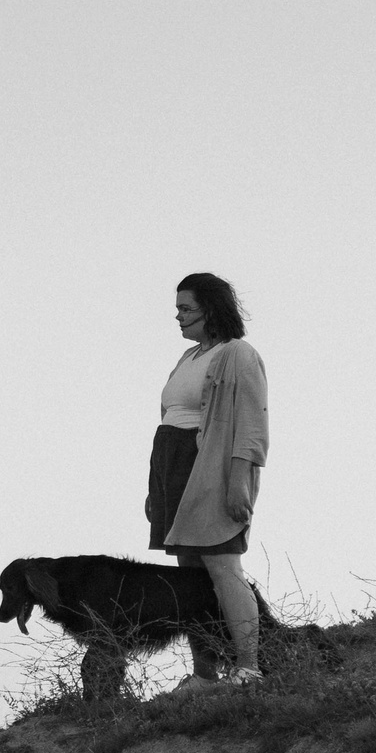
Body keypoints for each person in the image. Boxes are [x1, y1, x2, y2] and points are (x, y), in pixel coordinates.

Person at [148, 272, 268, 686]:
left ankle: (249, 666)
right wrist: (155, 488)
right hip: (173, 467)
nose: (178, 317)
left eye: (186, 309)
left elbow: (251, 424)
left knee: (222, 567)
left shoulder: (238, 355)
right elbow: (170, 418)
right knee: (191, 575)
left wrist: (238, 481)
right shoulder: (188, 357)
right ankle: (205, 673)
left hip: (209, 468)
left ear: (210, 310)